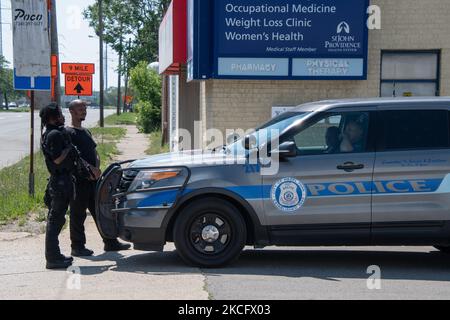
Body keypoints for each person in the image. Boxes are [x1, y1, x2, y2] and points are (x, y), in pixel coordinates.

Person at [67, 100, 131, 256]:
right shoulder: (67, 133)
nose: (84, 111)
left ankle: (110, 242)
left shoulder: (85, 131)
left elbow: (94, 151)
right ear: (72, 112)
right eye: (80, 109)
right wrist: (89, 169)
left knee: (102, 211)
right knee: (78, 215)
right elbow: (74, 157)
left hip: (94, 181)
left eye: (85, 108)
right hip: (79, 181)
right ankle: (77, 247)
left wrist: (97, 169)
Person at [40, 103, 76, 269]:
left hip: (62, 181)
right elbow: (56, 160)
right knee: (55, 222)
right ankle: (53, 259)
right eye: (60, 114)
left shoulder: (53, 132)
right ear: (52, 118)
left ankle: (55, 255)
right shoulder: (53, 134)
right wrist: (68, 149)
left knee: (57, 220)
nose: (63, 117)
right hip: (60, 183)